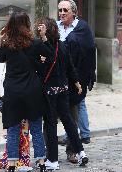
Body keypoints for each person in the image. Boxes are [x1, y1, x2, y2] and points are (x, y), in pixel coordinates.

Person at [0, 12, 54, 172]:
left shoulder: (8, 44)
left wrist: (0, 42)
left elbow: (0, 58)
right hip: (32, 91)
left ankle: (12, 165)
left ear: (11, 26)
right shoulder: (34, 43)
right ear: (27, 24)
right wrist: (43, 36)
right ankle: (41, 162)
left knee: (13, 129)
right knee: (36, 128)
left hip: (13, 91)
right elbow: (50, 54)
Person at [35, 17, 89, 170]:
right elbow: (70, 67)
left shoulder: (44, 46)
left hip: (50, 92)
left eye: (42, 27)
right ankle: (81, 152)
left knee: (51, 124)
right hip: (63, 89)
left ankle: (52, 160)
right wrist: (76, 82)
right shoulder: (62, 45)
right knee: (68, 122)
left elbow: (52, 60)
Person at [57, 0, 96, 163]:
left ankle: (72, 150)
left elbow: (88, 53)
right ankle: (46, 153)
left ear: (74, 12)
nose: (62, 13)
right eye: (60, 10)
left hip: (74, 79)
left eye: (66, 10)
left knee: (72, 114)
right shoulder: (55, 28)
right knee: (50, 117)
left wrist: (86, 77)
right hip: (55, 78)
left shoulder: (82, 28)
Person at [0, 62, 31, 171]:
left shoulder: (7, 48)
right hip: (22, 91)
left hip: (11, 92)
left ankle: (14, 159)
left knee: (14, 130)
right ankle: (21, 158)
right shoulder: (24, 48)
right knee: (20, 129)